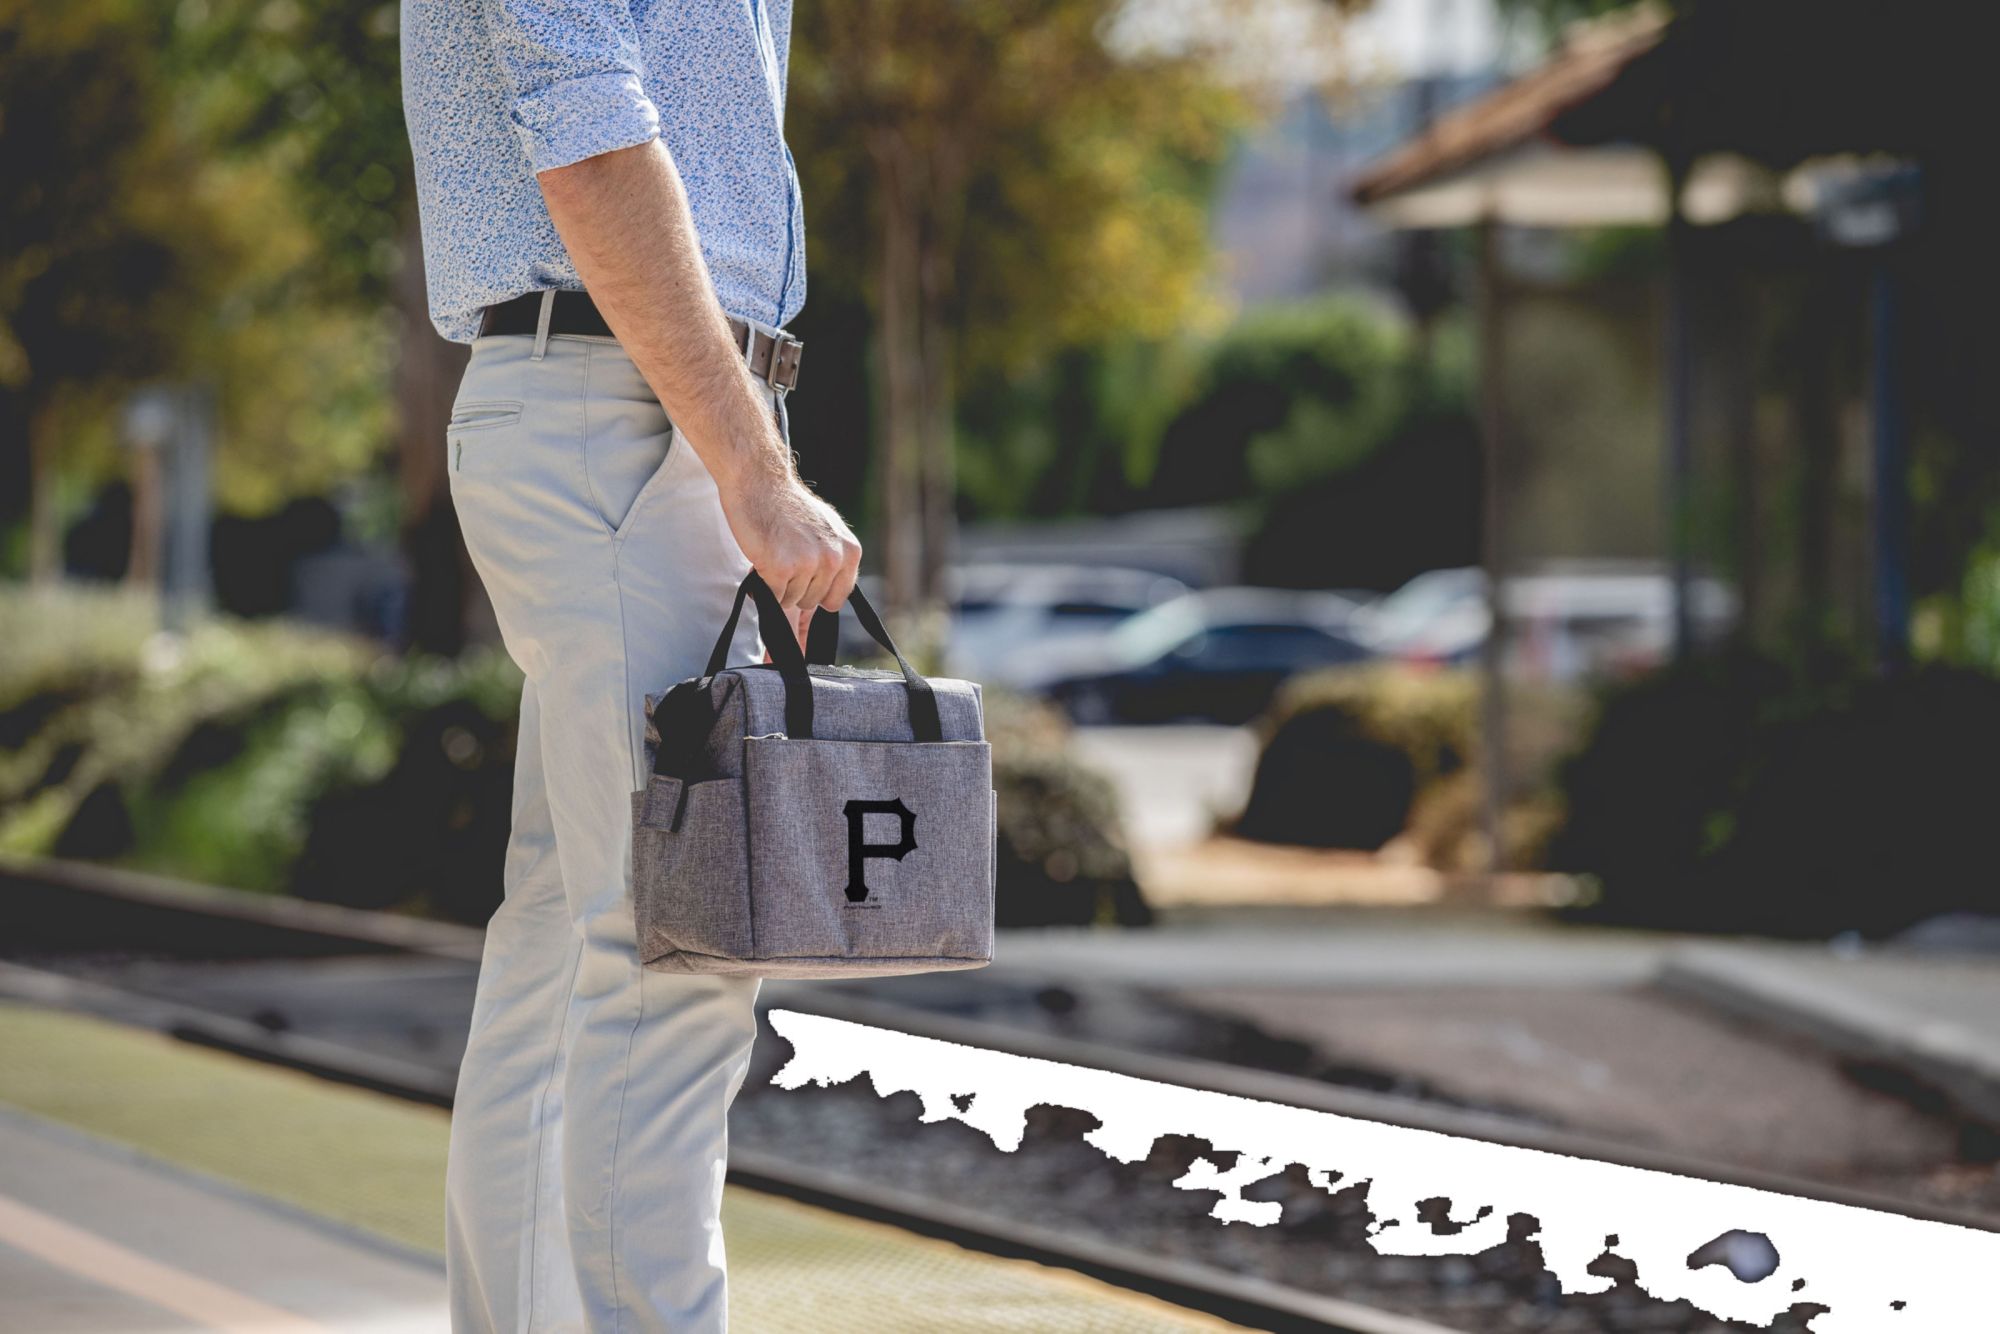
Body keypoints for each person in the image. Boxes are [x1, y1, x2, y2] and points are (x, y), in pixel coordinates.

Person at [399, 0, 858, 1329]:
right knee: (678, 947)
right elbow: (589, 133)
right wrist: (753, 472)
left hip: (625, 402)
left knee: (567, 938)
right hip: (630, 416)